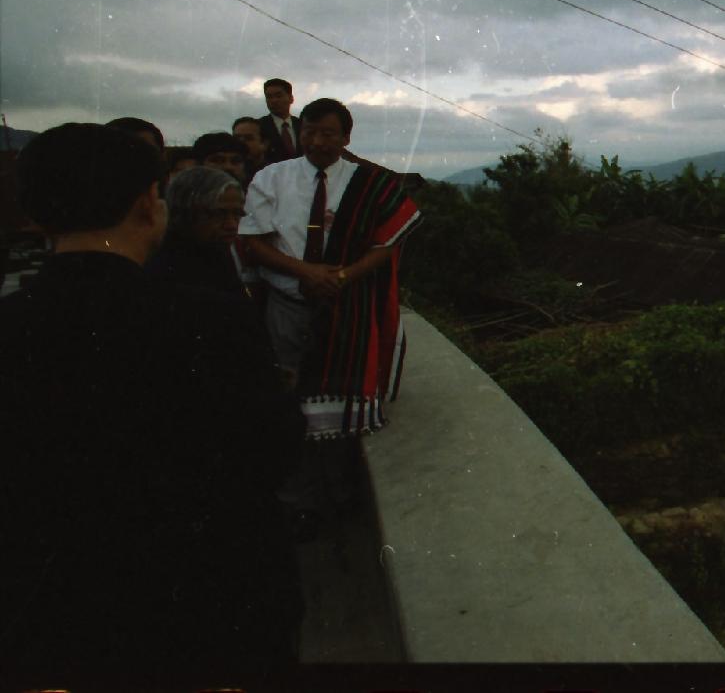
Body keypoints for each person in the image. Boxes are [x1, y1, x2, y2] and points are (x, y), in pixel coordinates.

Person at [1, 123, 305, 668]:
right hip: (207, 607)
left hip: (51, 619)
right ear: (149, 205)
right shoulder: (210, 320)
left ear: (35, 215)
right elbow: (273, 449)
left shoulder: (13, 325)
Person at [239, 98, 419, 533]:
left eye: (328, 134)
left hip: (346, 312)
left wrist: (341, 276)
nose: (318, 141)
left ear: (346, 137)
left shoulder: (368, 182)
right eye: (310, 132)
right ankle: (296, 501)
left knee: (339, 403)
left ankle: (339, 497)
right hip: (286, 309)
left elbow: (387, 243)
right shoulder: (272, 177)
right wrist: (306, 272)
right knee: (288, 404)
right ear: (300, 132)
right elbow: (254, 242)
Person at [147, 165, 249, 299]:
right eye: (218, 214)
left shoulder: (218, 252)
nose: (232, 225)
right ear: (184, 214)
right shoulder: (165, 273)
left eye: (237, 214)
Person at [258, 78, 301, 164]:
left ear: (291, 98)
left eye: (279, 96)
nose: (274, 101)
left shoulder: (302, 125)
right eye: (269, 97)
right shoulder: (258, 126)